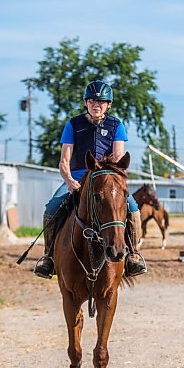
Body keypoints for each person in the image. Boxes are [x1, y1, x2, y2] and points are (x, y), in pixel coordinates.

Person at [34, 79, 147, 279]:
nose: (97, 105)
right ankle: (48, 257)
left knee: (133, 208)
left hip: (105, 176)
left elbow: (119, 156)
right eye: (92, 101)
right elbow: (64, 161)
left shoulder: (116, 125)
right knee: (51, 207)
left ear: (108, 104)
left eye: (102, 101)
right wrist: (69, 182)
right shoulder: (73, 124)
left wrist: (112, 169)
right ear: (86, 103)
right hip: (78, 176)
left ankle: (134, 255)